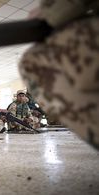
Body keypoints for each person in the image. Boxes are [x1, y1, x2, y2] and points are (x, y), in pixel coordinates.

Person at [19, 0, 99, 148]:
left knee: (32, 62)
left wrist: (53, 13)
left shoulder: (27, 103)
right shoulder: (15, 105)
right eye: (22, 95)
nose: (24, 97)